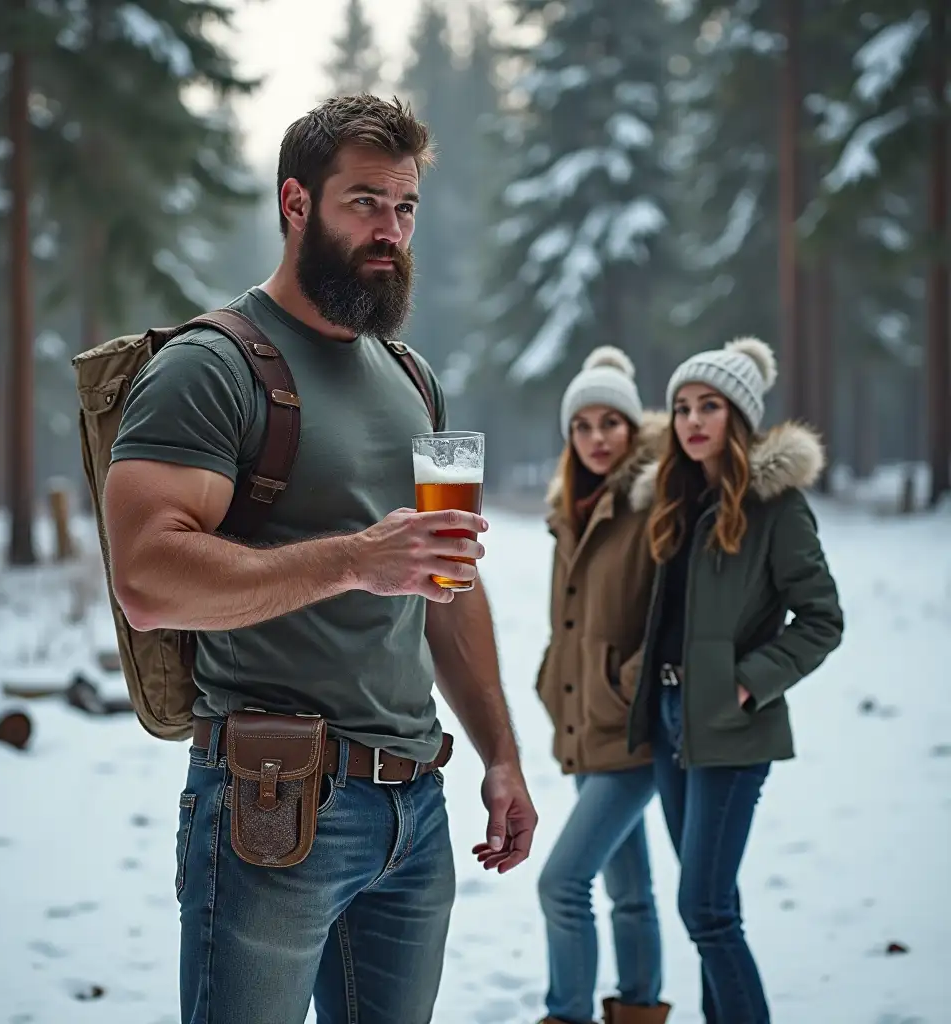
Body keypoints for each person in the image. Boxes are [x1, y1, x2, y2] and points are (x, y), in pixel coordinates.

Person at [102, 94, 538, 1024]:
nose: (392, 231)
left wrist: (502, 757)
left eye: (406, 207)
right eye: (365, 204)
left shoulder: (414, 377)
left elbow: (447, 584)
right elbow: (146, 581)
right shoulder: (209, 367)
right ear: (297, 204)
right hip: (273, 808)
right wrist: (354, 561)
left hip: (414, 811)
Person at [626, 337, 844, 1023]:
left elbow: (821, 619)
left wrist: (748, 681)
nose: (692, 420)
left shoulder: (777, 510)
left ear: (738, 418)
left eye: (709, 406)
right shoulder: (678, 502)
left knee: (706, 908)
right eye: (683, 406)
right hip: (667, 720)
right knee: (711, 910)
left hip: (729, 724)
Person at [535, 348, 673, 1024]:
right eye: (582, 425)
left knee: (562, 884)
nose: (596, 438)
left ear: (632, 427)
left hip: (635, 727)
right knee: (630, 892)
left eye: (609, 423)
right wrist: (553, 677)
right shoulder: (572, 509)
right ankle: (642, 1010)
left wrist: (627, 683)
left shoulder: (654, 503)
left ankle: (568, 1014)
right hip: (585, 721)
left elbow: (672, 614)